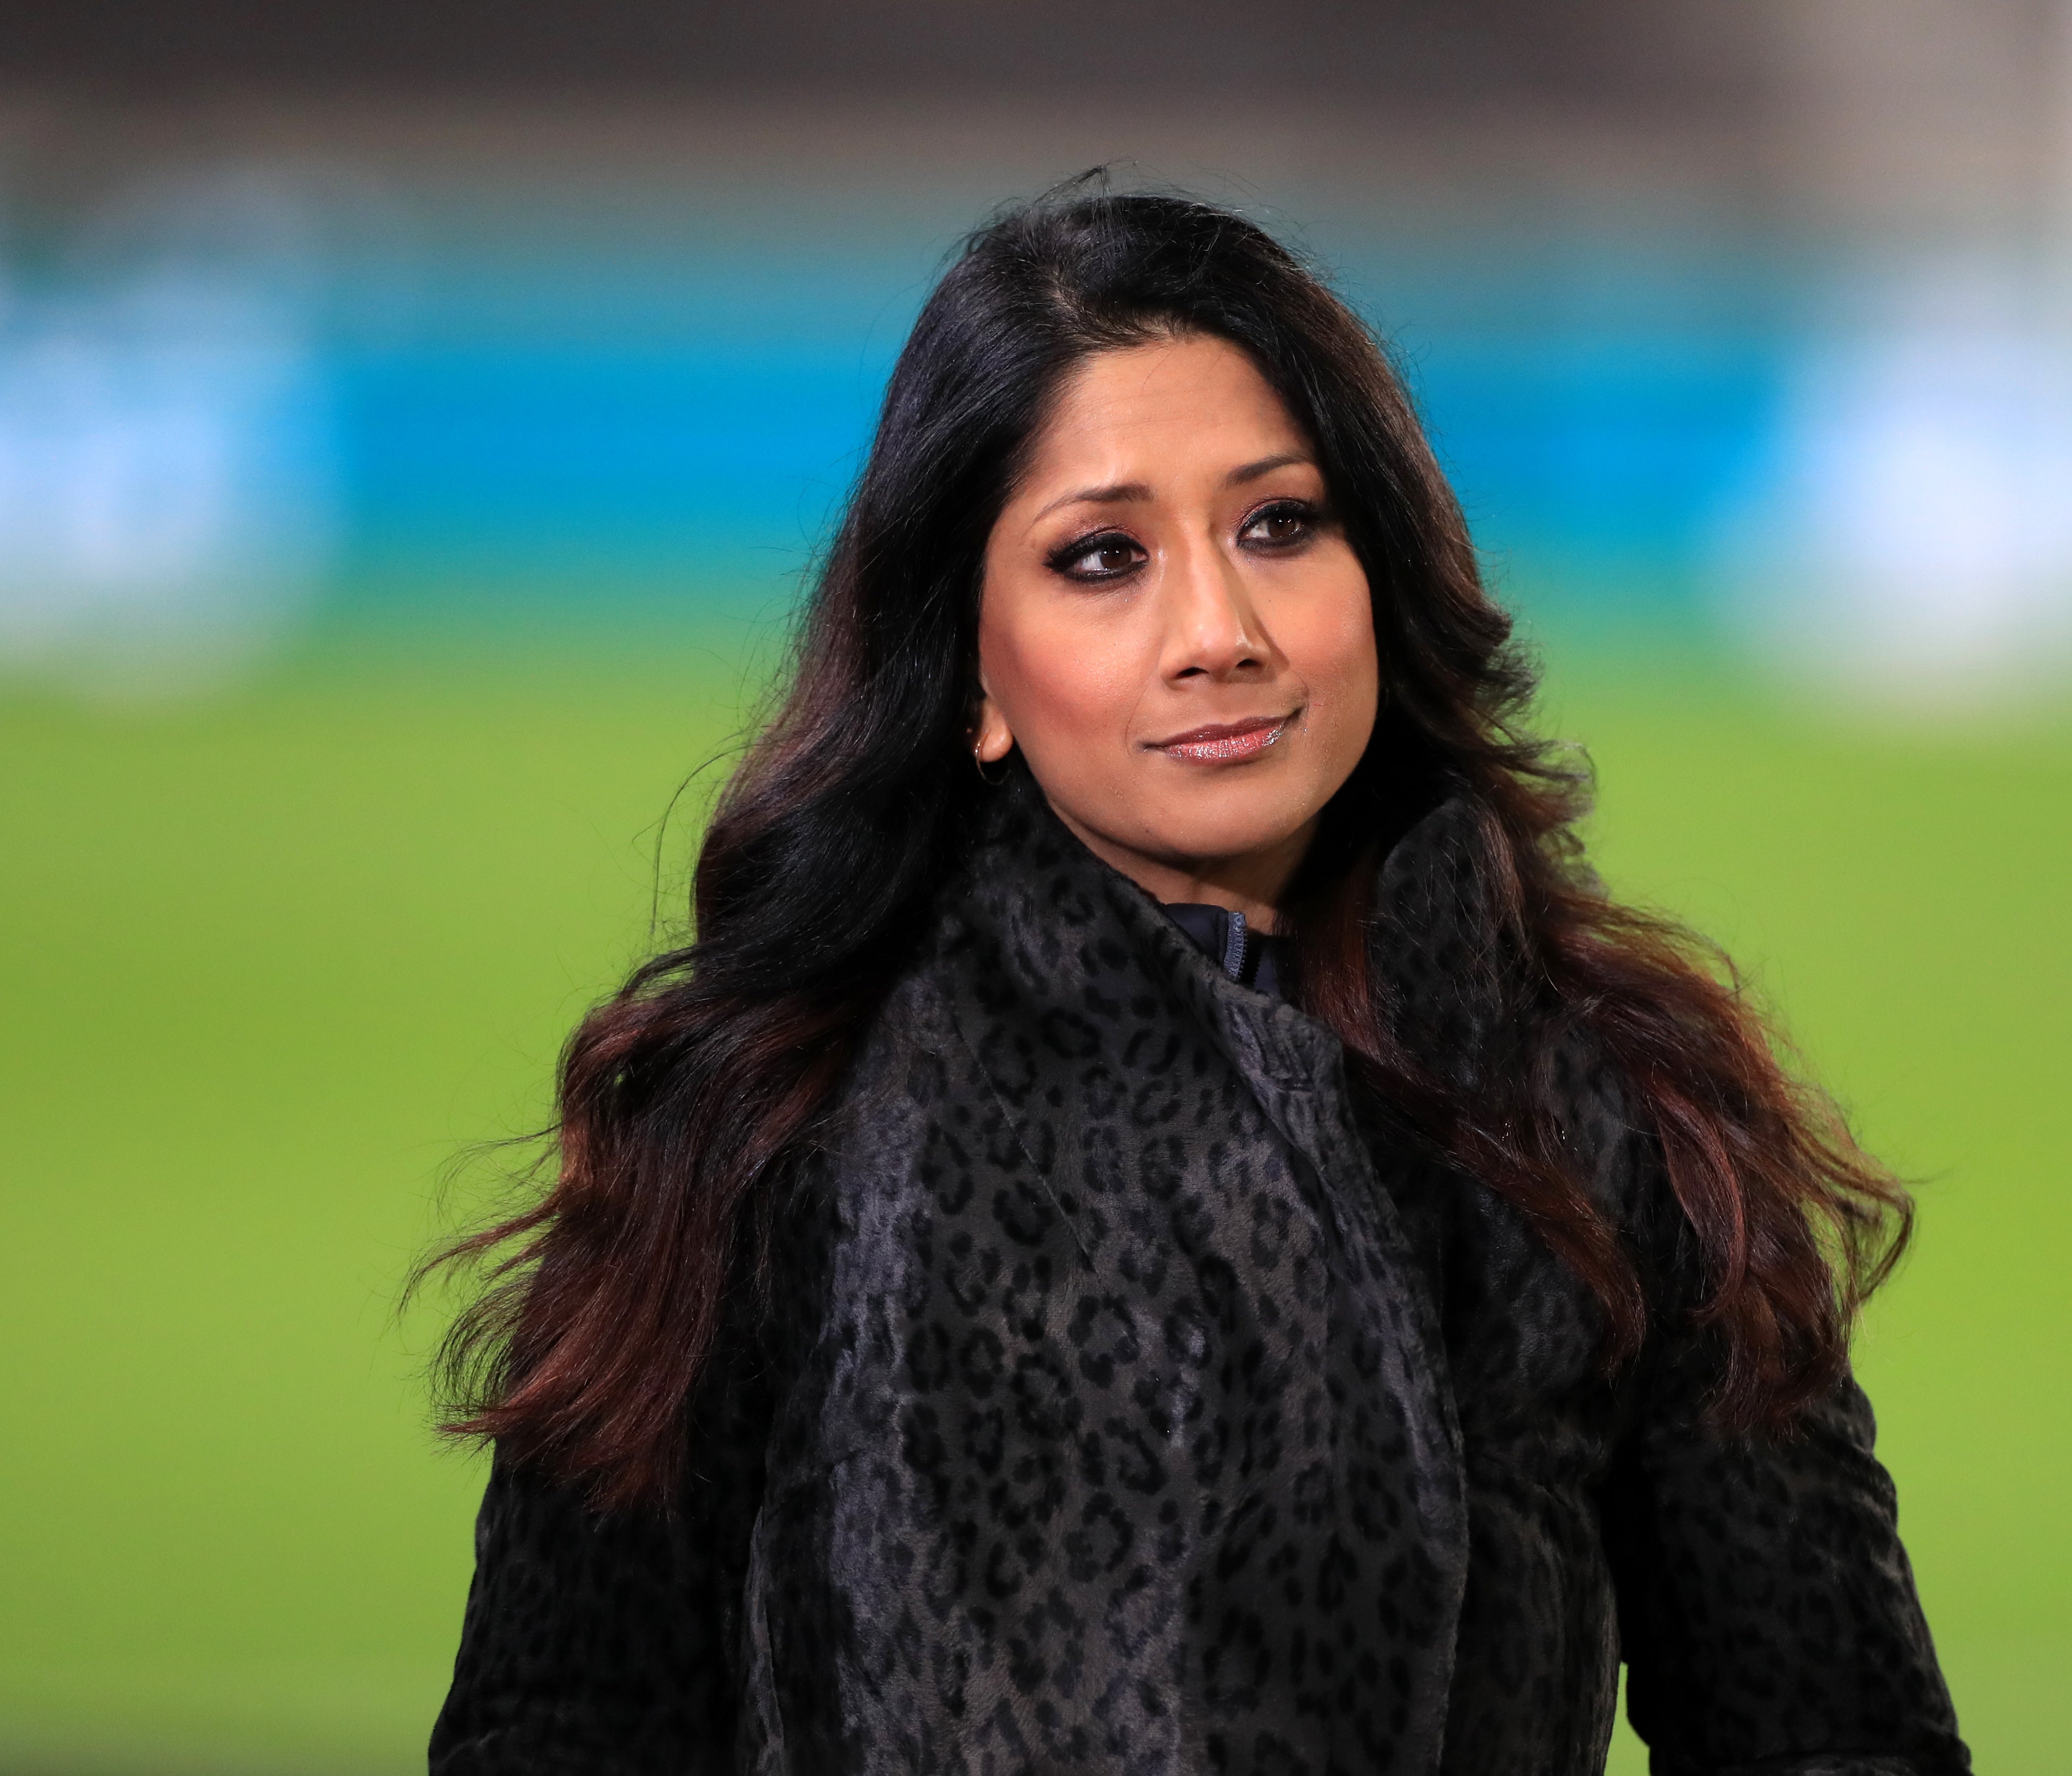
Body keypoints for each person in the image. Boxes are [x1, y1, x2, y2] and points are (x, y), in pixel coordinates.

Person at [426, 184, 1968, 1776]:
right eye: (1101, 557)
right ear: (968, 672)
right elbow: (558, 1734)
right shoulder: (756, 1121)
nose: (1217, 630)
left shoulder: (1609, 1110)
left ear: (1381, 567)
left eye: (1279, 525)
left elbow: (1835, 1739)